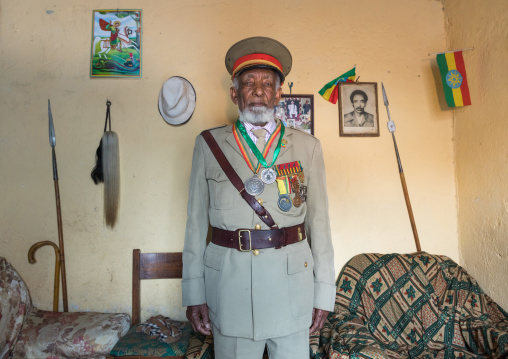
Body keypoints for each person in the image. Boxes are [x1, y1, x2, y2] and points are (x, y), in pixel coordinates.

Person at [182, 36, 335, 359]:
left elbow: (319, 224)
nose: (258, 89)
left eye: (268, 82)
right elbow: (195, 225)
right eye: (248, 82)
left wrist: (323, 294)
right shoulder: (209, 145)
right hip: (229, 291)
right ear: (234, 93)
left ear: (279, 93)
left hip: (291, 291)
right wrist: (193, 294)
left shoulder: (308, 147)